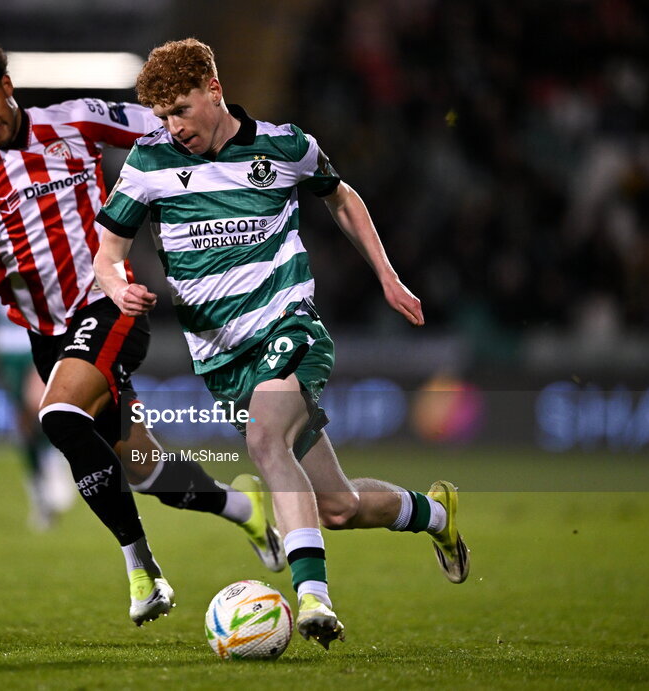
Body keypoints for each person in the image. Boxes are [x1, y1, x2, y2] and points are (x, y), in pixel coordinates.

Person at [94, 38, 469, 649]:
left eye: (181, 110)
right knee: (338, 507)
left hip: (288, 326)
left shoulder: (285, 145)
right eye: (163, 117)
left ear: (213, 90)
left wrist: (387, 276)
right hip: (221, 359)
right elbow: (107, 253)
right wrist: (118, 288)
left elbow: (341, 197)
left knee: (264, 438)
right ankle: (435, 515)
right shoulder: (148, 163)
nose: (173, 127)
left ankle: (313, 599)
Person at [0, 38, 284, 627]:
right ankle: (245, 508)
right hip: (45, 335)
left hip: (109, 305)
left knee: (57, 415)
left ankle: (144, 571)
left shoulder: (76, 121)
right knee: (143, 470)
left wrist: (226, 170)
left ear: (7, 86)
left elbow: (165, 128)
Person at [0, 267, 75, 531]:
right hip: (6, 343)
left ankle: (54, 462)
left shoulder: (42, 235)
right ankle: (38, 493)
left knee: (39, 406)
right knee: (23, 423)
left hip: (39, 336)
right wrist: (1, 275)